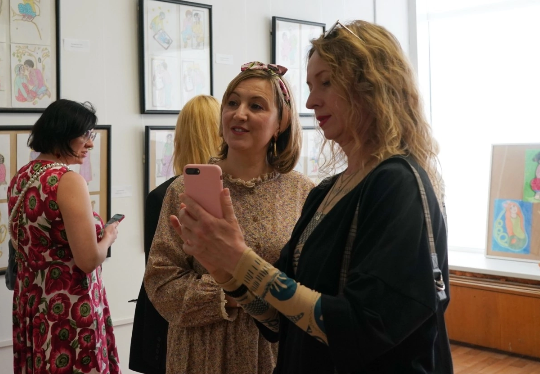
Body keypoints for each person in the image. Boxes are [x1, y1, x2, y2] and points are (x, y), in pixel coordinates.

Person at [171, 20, 453, 373]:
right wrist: (225, 272)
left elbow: (361, 328)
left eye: (326, 82)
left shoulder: (398, 183)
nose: (310, 100)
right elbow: (277, 316)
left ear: (371, 85)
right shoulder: (324, 192)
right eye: (309, 85)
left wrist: (240, 258)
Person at [144, 62, 315, 374]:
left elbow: (312, 284)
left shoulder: (303, 193)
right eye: (232, 103)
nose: (239, 114)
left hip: (272, 353)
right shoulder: (183, 190)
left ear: (281, 121)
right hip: (200, 353)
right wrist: (232, 295)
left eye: (256, 106)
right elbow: (160, 281)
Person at [8, 99, 120, 374]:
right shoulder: (67, 181)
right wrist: (108, 236)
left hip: (33, 301)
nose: (90, 143)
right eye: (85, 135)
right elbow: (88, 260)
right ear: (62, 134)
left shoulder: (22, 176)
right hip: (69, 307)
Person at [129, 95, 222, 374]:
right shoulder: (167, 196)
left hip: (170, 318)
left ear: (180, 138)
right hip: (178, 317)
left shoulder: (161, 196)